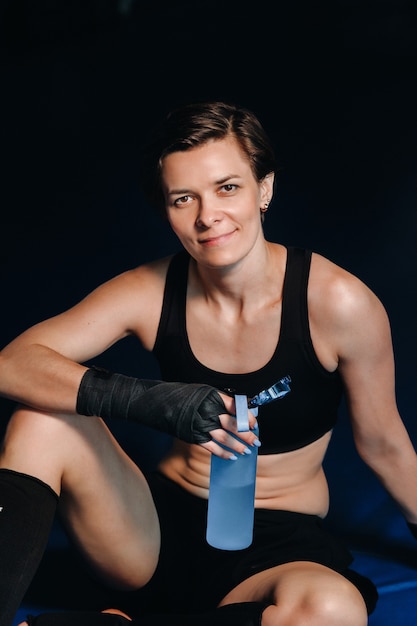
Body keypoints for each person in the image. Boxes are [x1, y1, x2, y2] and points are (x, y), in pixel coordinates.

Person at [1, 100, 416, 626]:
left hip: (273, 546)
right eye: (183, 198)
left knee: (333, 610)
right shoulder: (150, 291)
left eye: (227, 187)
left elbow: (384, 444)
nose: (207, 216)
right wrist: (153, 401)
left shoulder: (338, 304)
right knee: (40, 417)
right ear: (166, 211)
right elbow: (11, 364)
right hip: (148, 533)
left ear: (263, 189)